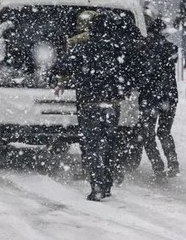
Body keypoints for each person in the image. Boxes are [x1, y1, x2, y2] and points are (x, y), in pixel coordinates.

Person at [57, 13, 136, 201]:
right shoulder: (118, 48)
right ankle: (107, 184)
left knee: (92, 145)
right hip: (112, 103)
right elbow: (132, 70)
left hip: (89, 103)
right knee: (108, 143)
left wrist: (66, 77)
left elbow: (62, 65)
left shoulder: (82, 48)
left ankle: (97, 185)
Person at [138, 18, 180, 181]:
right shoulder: (171, 47)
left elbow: (140, 72)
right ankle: (173, 162)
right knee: (164, 131)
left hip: (149, 97)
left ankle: (158, 167)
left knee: (147, 135)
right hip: (168, 95)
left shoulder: (143, 48)